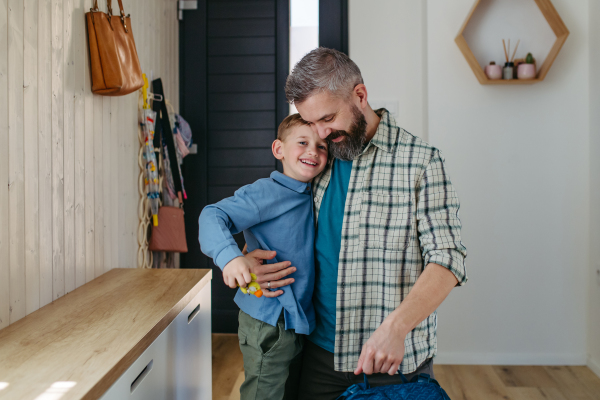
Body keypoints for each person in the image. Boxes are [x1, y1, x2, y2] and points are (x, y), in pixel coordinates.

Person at [242, 47, 468, 399]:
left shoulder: (420, 163)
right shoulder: (315, 161)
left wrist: (396, 327)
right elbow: (278, 218)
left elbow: (448, 258)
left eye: (328, 118)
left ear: (359, 96)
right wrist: (248, 257)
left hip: (392, 364)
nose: (320, 133)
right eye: (311, 121)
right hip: (316, 355)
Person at [198, 114, 329, 400]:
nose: (313, 151)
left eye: (322, 146)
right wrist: (232, 258)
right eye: (303, 142)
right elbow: (212, 215)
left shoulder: (312, 193)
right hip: (268, 319)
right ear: (279, 149)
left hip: (295, 319)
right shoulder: (266, 192)